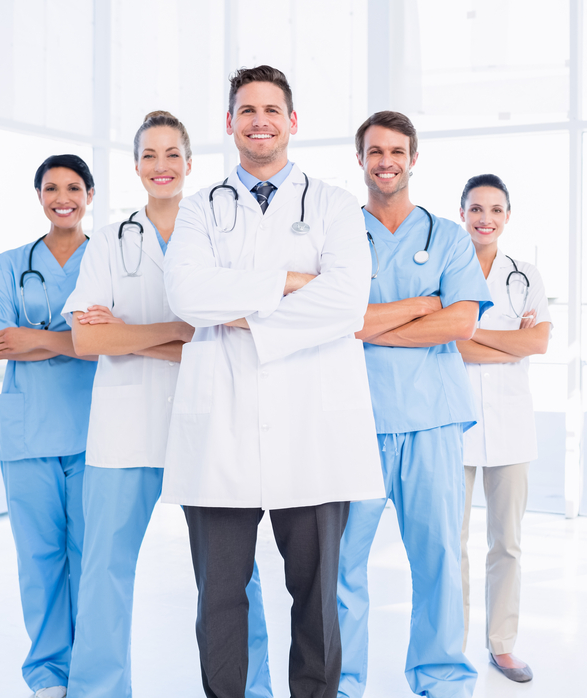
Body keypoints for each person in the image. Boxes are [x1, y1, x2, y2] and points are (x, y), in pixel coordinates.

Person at [161, 66, 384, 698]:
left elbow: (346, 303)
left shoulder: (335, 205)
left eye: (272, 109)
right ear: (229, 123)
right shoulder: (201, 207)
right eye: (247, 109)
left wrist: (242, 314)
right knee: (220, 600)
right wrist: (287, 282)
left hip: (314, 430)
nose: (260, 119)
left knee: (316, 601)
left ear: (292, 121)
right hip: (221, 434)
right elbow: (186, 293)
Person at [61, 112, 272, 698]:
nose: (161, 166)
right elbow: (87, 339)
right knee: (104, 576)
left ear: (188, 163)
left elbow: (245, 330)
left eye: (172, 154)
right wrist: (183, 332)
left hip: (209, 429)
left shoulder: (221, 239)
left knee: (231, 580)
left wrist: (132, 334)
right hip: (123, 433)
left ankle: (251, 689)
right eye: (149, 155)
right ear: (135, 167)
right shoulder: (108, 240)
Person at [336, 111, 492, 698]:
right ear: (361, 160)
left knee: (438, 563)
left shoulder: (448, 237)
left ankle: (443, 680)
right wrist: (418, 306)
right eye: (375, 151)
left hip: (431, 423)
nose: (385, 161)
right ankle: (344, 684)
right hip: (355, 422)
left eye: (396, 151)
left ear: (413, 158)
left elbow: (461, 321)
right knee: (342, 569)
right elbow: (334, 321)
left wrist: (371, 326)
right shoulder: (340, 235)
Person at [0, 154, 99, 698]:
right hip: (28, 436)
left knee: (91, 562)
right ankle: (49, 676)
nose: (62, 197)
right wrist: (78, 343)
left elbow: (116, 345)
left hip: (96, 434)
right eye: (51, 188)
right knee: (40, 561)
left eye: (73, 187)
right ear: (39, 197)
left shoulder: (108, 262)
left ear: (89, 195)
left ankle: (93, 674)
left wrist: (39, 339)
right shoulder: (11, 263)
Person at [456, 174, 551, 684]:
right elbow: (444, 344)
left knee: (507, 543)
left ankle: (502, 645)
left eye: (495, 209)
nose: (485, 218)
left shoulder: (525, 273)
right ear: (463, 213)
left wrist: (476, 338)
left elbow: (538, 344)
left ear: (508, 216)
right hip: (456, 423)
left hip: (513, 428)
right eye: (476, 209)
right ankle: (453, 647)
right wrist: (507, 341)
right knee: (453, 543)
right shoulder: (449, 272)